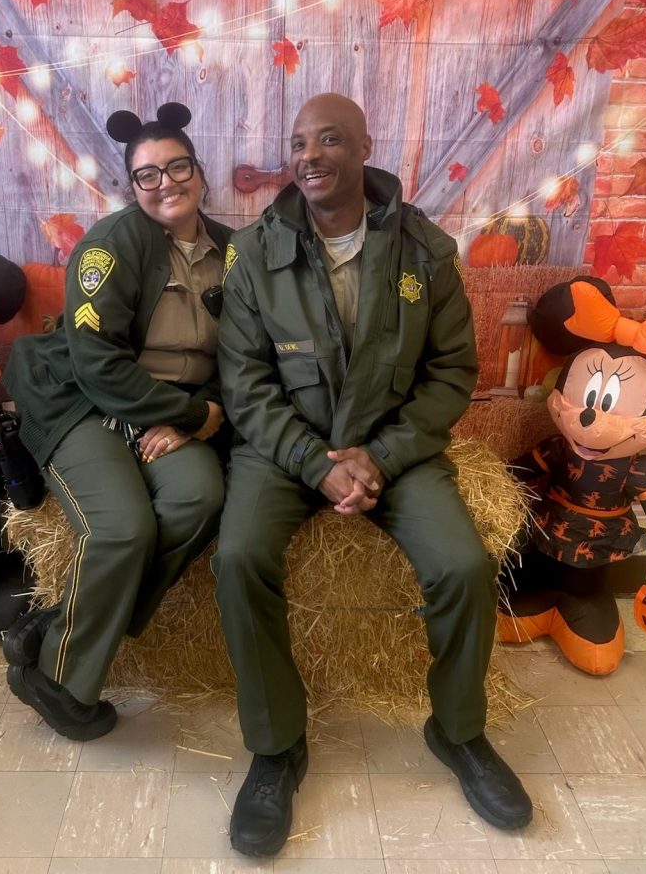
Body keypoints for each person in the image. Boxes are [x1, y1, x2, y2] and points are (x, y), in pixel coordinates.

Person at [213, 93, 533, 855]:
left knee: (462, 562)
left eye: (329, 139)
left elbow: (452, 371)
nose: (309, 154)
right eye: (297, 142)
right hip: (285, 450)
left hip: (393, 444)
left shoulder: (425, 250)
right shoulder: (256, 251)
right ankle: (276, 747)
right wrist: (311, 465)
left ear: (364, 148)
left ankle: (458, 732)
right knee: (238, 557)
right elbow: (245, 383)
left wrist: (380, 457)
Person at [2, 102, 229, 741]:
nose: (165, 184)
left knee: (200, 494)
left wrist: (206, 412)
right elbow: (98, 365)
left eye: (177, 166)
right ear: (132, 187)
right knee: (122, 529)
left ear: (199, 171)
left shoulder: (235, 254)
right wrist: (190, 412)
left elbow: (247, 352)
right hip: (84, 400)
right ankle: (59, 683)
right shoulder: (111, 244)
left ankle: (62, 616)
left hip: (171, 409)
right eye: (147, 175)